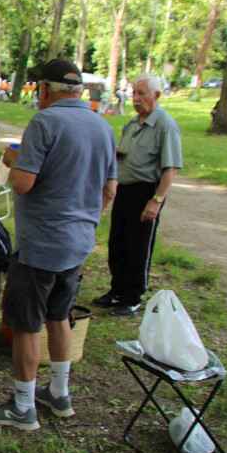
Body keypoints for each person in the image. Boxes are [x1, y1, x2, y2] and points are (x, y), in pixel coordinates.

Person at [0, 59, 117, 431]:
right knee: (59, 315)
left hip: (41, 245)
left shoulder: (45, 122)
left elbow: (22, 183)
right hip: (78, 243)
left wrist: (12, 158)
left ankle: (23, 407)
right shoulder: (103, 127)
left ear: (44, 90)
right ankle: (60, 393)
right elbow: (110, 190)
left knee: (25, 324)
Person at [95, 75, 182, 316]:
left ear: (156, 95)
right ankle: (116, 290)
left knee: (139, 246)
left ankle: (133, 297)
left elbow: (170, 168)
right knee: (118, 242)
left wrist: (156, 201)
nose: (135, 98)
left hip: (146, 192)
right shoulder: (132, 124)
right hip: (125, 190)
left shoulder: (165, 125)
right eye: (134, 93)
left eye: (142, 93)